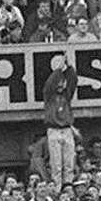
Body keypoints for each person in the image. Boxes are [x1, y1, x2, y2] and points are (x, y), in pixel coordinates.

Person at [42, 55, 79, 184]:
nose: (60, 84)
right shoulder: (49, 96)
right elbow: (49, 84)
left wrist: (69, 68)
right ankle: (57, 188)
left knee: (69, 164)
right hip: (54, 130)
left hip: (67, 130)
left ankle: (68, 186)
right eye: (59, 82)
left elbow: (73, 81)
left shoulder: (67, 95)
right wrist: (58, 70)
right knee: (56, 165)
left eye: (62, 82)